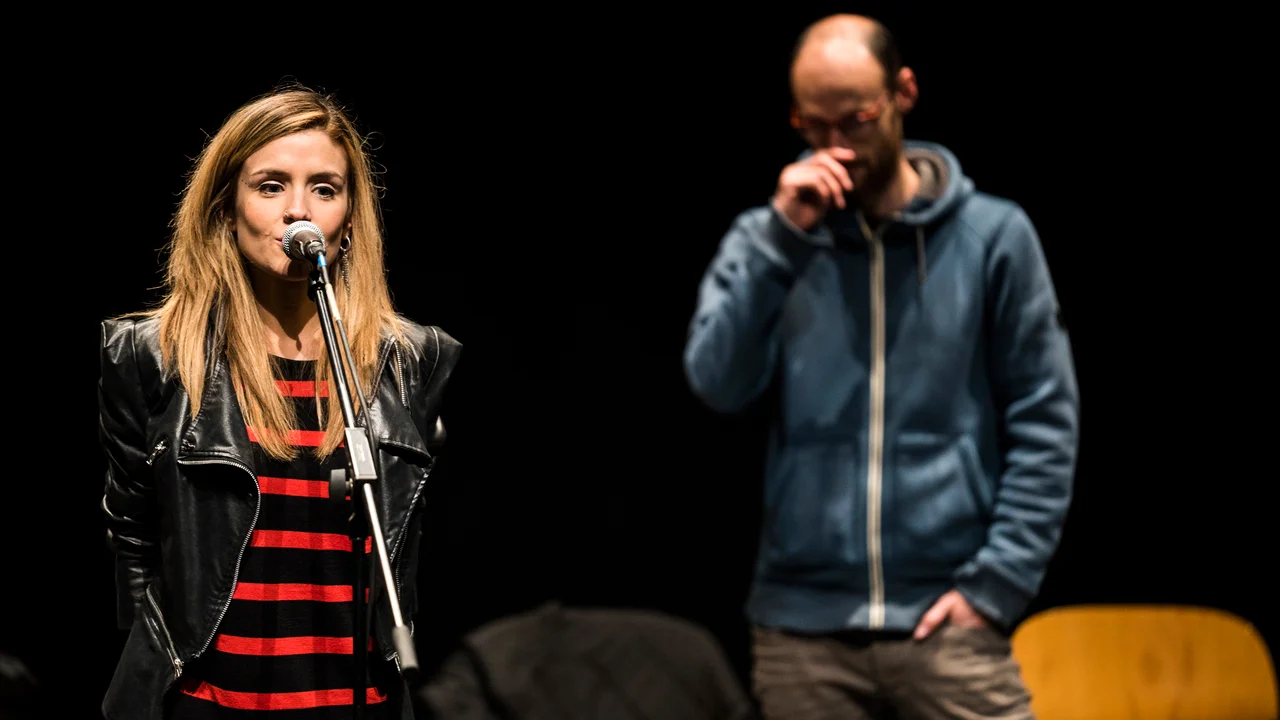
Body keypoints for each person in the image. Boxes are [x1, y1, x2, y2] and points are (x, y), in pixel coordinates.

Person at [682, 13, 1080, 720]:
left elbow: (1046, 418)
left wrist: (996, 586)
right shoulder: (769, 239)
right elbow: (717, 381)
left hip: (946, 621)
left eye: (856, 120)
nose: (836, 145)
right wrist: (781, 241)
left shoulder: (993, 237)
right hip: (803, 630)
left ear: (903, 93)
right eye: (813, 125)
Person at [98, 85, 461, 719]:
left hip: (354, 701)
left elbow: (404, 541)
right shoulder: (152, 354)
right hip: (209, 703)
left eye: (324, 188)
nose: (299, 211)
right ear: (226, 208)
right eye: (270, 186)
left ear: (350, 216)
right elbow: (133, 533)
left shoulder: (410, 360)